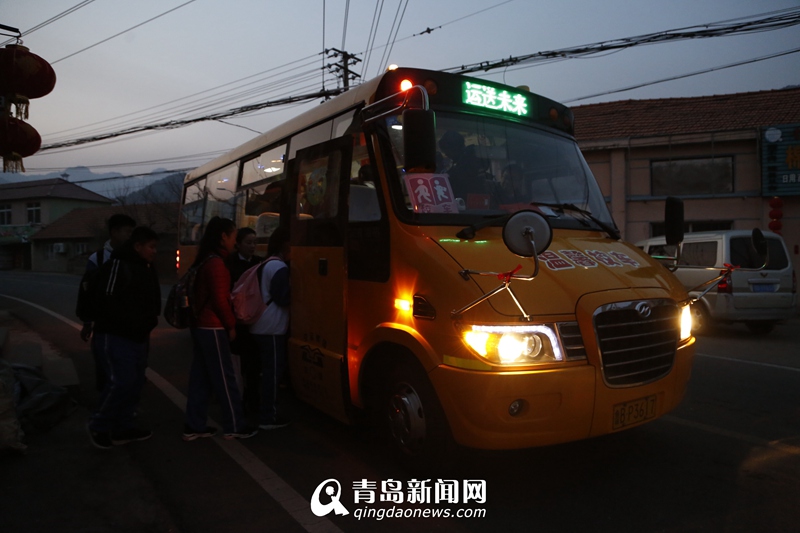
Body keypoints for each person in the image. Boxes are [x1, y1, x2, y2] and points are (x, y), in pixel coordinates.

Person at [183, 217, 257, 441]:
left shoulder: (205, 260)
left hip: (201, 326)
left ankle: (194, 425)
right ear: (223, 236)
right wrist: (231, 325)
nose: (235, 240)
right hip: (213, 327)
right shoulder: (216, 264)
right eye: (234, 235)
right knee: (226, 379)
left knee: (201, 378)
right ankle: (234, 424)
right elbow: (219, 300)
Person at [87, 226, 161, 449]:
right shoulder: (117, 265)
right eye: (151, 247)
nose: (154, 251)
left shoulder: (146, 267)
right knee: (121, 382)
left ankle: (123, 427)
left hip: (138, 336)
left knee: (135, 383)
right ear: (137, 246)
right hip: (115, 335)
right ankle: (98, 425)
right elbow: (106, 301)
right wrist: (129, 322)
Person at [77, 213, 136, 391]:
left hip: (131, 326)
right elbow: (86, 292)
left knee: (130, 370)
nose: (130, 236)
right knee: (106, 370)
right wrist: (87, 322)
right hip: (105, 327)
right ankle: (105, 408)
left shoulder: (135, 257)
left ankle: (126, 407)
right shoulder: (98, 259)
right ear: (114, 232)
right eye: (127, 232)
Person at [249, 225, 291, 430]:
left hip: (260, 326)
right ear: (286, 244)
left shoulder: (268, 263)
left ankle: (260, 410)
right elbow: (283, 298)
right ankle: (268, 416)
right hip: (272, 328)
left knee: (264, 373)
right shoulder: (280, 268)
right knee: (272, 374)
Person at [225, 227, 263, 412]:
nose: (252, 246)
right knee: (238, 363)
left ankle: (252, 398)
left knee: (254, 364)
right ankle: (236, 400)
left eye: (254, 242)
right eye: (248, 242)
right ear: (238, 244)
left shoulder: (260, 263)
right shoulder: (229, 263)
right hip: (237, 322)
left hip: (254, 320)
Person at [438, 130, 487, 202]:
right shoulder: (462, 160)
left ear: (454, 148)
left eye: (446, 151)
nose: (446, 154)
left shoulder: (469, 161)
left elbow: (457, 181)